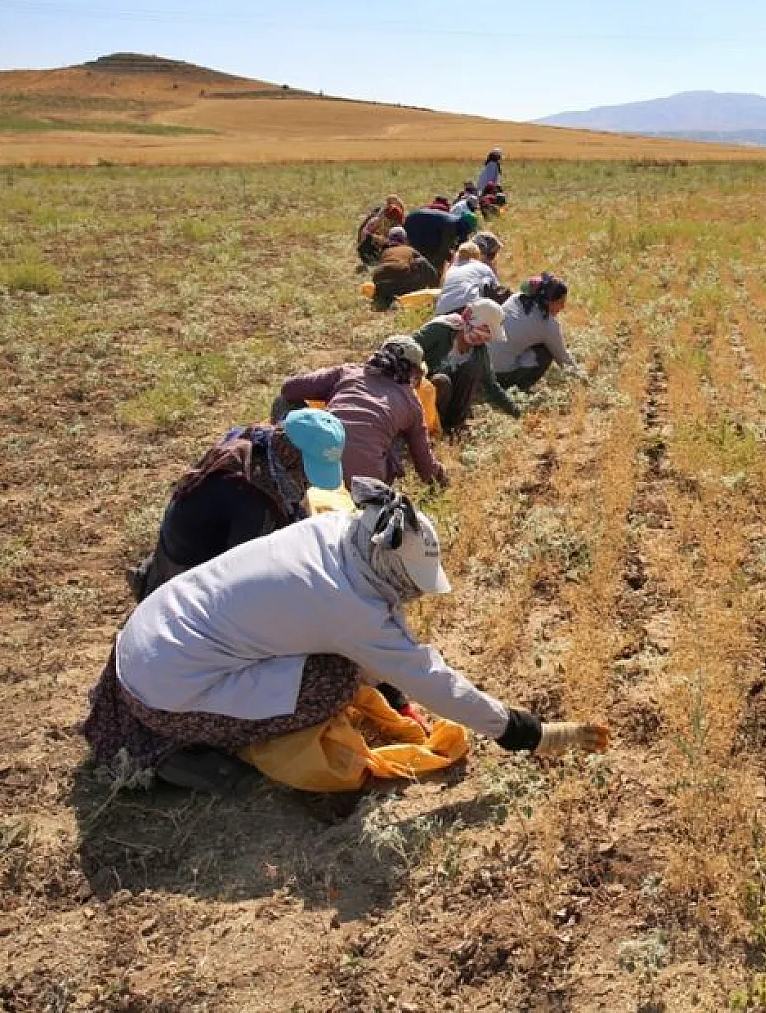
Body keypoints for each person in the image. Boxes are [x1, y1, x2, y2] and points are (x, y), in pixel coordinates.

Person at [83, 478, 610, 793]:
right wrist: (528, 733)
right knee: (334, 682)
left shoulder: (333, 533)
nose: (411, 597)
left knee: (351, 667)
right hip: (167, 687)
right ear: (391, 571)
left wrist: (394, 691)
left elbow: (392, 648)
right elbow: (429, 676)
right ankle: (182, 752)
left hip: (148, 633)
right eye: (410, 585)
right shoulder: (348, 606)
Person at [126, 409, 347, 602]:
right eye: (307, 472)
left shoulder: (257, 440)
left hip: (179, 540)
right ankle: (159, 591)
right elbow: (243, 576)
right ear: (292, 456)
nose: (307, 483)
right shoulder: (254, 498)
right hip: (187, 566)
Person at [274, 337, 449, 488]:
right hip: (366, 487)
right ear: (413, 371)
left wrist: (331, 391)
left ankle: (279, 461)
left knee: (283, 402)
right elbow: (425, 465)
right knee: (398, 434)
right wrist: (442, 478)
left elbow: (289, 389)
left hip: (313, 469)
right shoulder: (412, 403)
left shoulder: (349, 372)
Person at [415, 299, 521, 433]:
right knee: (442, 381)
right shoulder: (440, 329)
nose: (481, 339)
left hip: (449, 401)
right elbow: (409, 348)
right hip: (423, 397)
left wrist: (515, 411)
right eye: (481, 330)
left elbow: (491, 385)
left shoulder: (479, 351)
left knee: (472, 369)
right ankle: (429, 428)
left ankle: (453, 425)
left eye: (486, 336)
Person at [485, 273, 581, 391]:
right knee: (546, 352)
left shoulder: (516, 298)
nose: (563, 307)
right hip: (499, 376)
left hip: (481, 368)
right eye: (560, 302)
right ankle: (517, 388)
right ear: (548, 302)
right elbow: (563, 359)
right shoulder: (547, 325)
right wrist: (581, 378)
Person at [433, 231, 505, 315]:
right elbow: (500, 293)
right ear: (480, 253)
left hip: (441, 314)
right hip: (466, 311)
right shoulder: (482, 268)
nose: (492, 260)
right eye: (491, 255)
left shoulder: (452, 268)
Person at [369, 226, 438, 310]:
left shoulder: (385, 252)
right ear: (405, 240)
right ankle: (436, 290)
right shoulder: (410, 249)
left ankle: (388, 299)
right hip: (404, 283)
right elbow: (425, 264)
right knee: (421, 262)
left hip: (381, 284)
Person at [402, 207, 478, 274]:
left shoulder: (455, 222)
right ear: (466, 227)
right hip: (415, 225)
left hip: (419, 221)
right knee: (416, 252)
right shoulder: (451, 226)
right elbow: (442, 251)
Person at [356, 195, 406, 271]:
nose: (389, 224)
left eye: (393, 223)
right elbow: (363, 235)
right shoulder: (376, 221)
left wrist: (386, 242)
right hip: (374, 248)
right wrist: (374, 238)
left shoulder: (399, 228)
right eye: (387, 221)